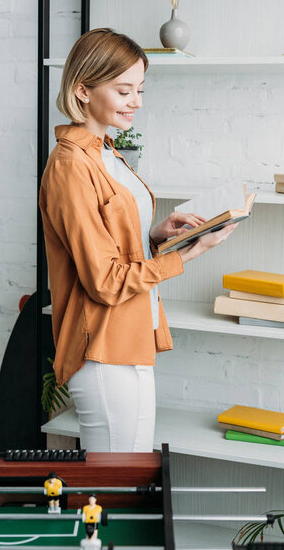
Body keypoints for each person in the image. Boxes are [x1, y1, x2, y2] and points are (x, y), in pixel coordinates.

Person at [39, 27, 238, 452]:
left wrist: (156, 234)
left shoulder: (108, 153)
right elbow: (104, 280)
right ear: (83, 90)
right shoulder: (71, 166)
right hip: (103, 348)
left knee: (125, 480)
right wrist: (190, 253)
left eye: (140, 90)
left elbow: (108, 244)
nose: (137, 102)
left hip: (130, 338)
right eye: (124, 90)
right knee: (113, 488)